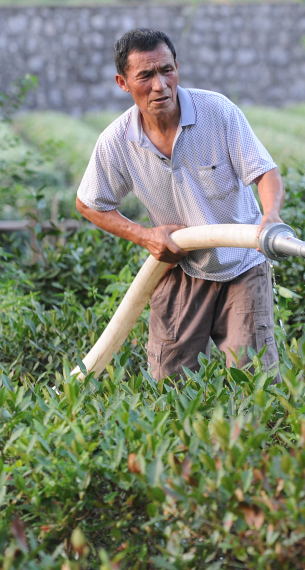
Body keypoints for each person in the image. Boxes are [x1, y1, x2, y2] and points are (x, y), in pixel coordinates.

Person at [75, 28, 285, 381]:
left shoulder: (217, 112)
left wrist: (271, 217)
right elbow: (89, 203)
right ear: (122, 83)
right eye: (145, 75)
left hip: (242, 264)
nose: (160, 85)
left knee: (254, 379)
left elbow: (265, 173)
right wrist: (145, 236)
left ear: (177, 68)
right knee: (169, 382)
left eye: (167, 71)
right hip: (179, 265)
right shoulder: (116, 141)